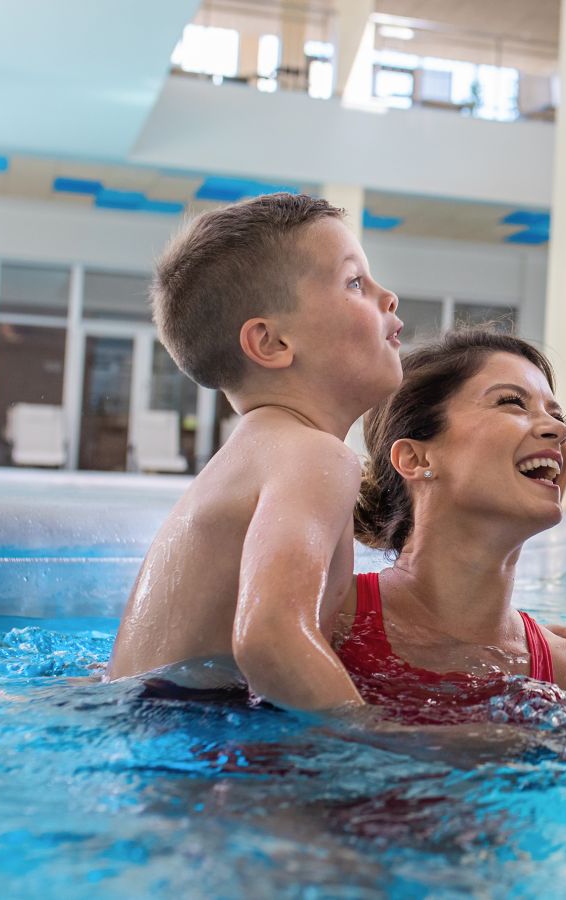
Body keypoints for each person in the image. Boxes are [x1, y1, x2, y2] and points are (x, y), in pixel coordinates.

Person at [107, 192, 402, 710]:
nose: (388, 296)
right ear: (270, 343)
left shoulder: (262, 451)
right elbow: (270, 640)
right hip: (194, 732)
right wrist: (373, 742)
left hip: (148, 710)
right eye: (355, 282)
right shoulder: (315, 456)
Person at [342, 327, 566, 716]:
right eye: (513, 403)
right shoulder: (325, 620)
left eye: (556, 414)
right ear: (417, 459)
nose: (559, 430)